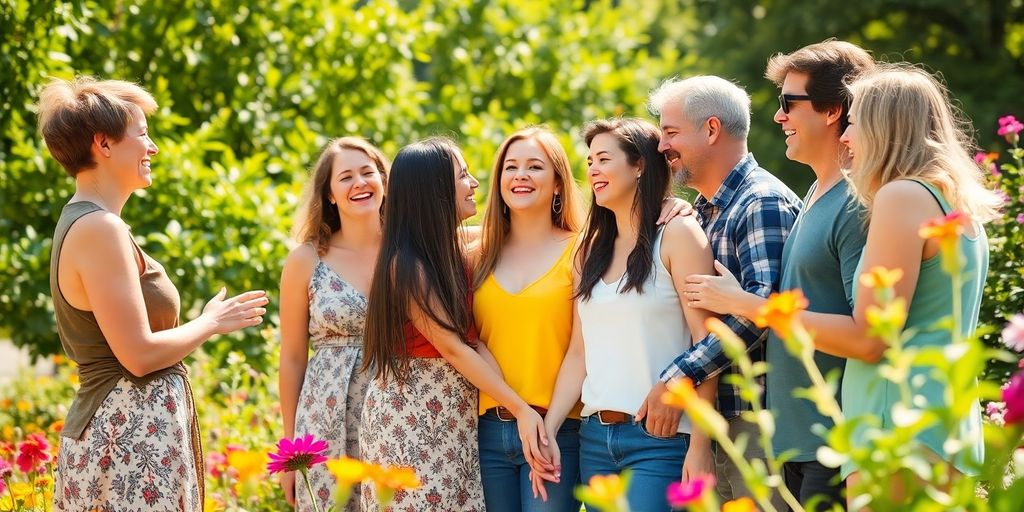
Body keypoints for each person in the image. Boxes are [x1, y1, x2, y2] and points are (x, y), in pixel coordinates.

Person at [39, 77, 267, 510]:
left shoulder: (95, 224)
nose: (153, 146)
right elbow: (138, 355)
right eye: (142, 134)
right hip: (127, 438)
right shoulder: (99, 228)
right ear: (103, 144)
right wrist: (210, 323)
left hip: (134, 434)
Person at [683, 41, 874, 509]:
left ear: (832, 110)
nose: (778, 117)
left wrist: (744, 303)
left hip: (829, 441)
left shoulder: (855, 203)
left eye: (789, 103)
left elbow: (866, 333)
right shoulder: (814, 194)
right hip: (794, 440)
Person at [358, 137, 548, 511]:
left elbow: (524, 230)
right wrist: (521, 409)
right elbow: (454, 348)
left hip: (452, 411)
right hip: (411, 412)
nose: (475, 183)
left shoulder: (452, 249)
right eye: (463, 175)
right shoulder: (408, 265)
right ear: (436, 190)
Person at [541, 118, 717, 511]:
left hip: (662, 440)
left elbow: (709, 344)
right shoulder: (588, 252)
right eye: (589, 162)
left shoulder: (678, 235)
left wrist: (701, 445)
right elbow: (578, 355)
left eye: (604, 159)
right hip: (595, 441)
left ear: (639, 165)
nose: (592, 171)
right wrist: (550, 429)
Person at [649, 75, 801, 506]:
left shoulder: (760, 203)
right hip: (719, 421)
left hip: (753, 422)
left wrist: (677, 376)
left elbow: (760, 314)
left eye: (671, 132)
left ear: (711, 129)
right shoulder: (704, 210)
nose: (662, 145)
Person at [472, 127, 587, 511]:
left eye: (534, 167)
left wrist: (547, 429)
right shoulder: (474, 255)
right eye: (511, 167)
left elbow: (579, 352)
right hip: (485, 432)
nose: (520, 175)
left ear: (557, 184)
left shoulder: (582, 249)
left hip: (558, 430)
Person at [278, 137, 389, 510]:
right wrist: (291, 455)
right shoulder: (306, 259)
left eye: (367, 172)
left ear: (384, 182)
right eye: (346, 177)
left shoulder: (406, 250)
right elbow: (292, 357)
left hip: (397, 407)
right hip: (326, 412)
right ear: (329, 194)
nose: (359, 183)